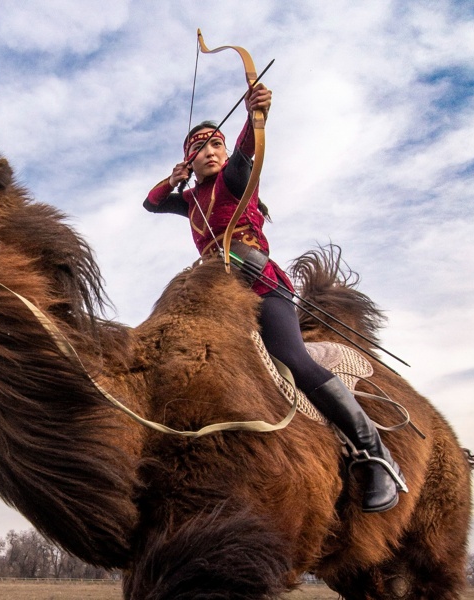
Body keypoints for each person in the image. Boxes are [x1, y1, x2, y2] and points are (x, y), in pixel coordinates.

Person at [143, 83, 407, 513]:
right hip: (219, 292)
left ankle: (376, 454)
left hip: (262, 285)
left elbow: (248, 151)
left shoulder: (232, 178)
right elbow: (151, 204)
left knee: (292, 358)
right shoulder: (190, 199)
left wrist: (255, 114)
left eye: (216, 144)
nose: (212, 151)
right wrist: (172, 180)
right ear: (189, 159)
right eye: (200, 148)